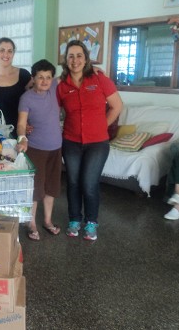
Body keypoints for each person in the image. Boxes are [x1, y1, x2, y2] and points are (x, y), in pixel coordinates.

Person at [57, 40, 123, 241]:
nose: (75, 60)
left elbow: (117, 106)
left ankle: (91, 222)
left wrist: (102, 126)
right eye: (70, 56)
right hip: (71, 141)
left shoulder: (99, 79)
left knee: (89, 182)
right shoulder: (62, 86)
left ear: (85, 58)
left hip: (97, 143)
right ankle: (74, 220)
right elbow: (52, 111)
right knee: (73, 182)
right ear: (66, 60)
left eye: (79, 55)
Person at [16, 59, 62, 241]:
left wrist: (96, 69)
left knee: (52, 187)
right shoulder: (26, 98)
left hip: (56, 148)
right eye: (40, 77)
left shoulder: (54, 88)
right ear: (33, 78)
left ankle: (48, 221)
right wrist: (22, 138)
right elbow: (21, 124)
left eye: (48, 77)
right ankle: (31, 223)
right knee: (35, 189)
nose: (44, 81)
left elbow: (72, 70)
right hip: (35, 148)